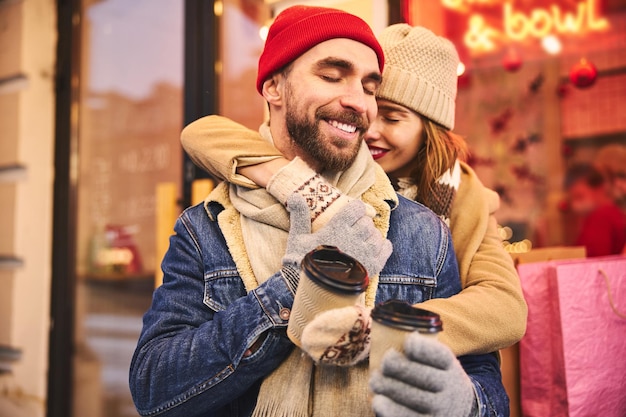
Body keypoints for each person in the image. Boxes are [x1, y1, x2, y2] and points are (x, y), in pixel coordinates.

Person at [131, 6, 508, 417]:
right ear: (274, 87)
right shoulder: (207, 227)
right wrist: (295, 284)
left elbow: (491, 364)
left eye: (369, 88)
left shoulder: (424, 227)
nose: (361, 105)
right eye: (331, 76)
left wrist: (464, 402)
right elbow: (154, 389)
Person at [181, 25, 527, 356]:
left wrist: (380, 334)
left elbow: (504, 308)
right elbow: (202, 134)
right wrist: (285, 177)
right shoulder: (331, 163)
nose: (368, 127)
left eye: (392, 118)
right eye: (371, 101)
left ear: (429, 131)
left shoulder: (463, 197)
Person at [564, 163, 626, 257]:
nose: (574, 205)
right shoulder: (613, 213)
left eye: (579, 196)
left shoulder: (602, 216)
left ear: (599, 189)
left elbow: (593, 258)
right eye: (571, 199)